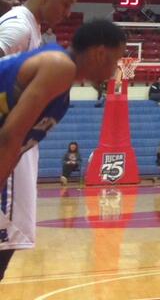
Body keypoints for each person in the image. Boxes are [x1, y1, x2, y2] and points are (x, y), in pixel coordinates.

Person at [0, 19, 123, 281]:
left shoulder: (62, 87)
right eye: (115, 61)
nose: (114, 71)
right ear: (100, 53)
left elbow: (17, 148)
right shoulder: (59, 66)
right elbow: (10, 137)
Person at [0, 0, 80, 274]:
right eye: (66, 4)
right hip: (8, 149)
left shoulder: (32, 27)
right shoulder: (19, 26)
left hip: (18, 150)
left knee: (11, 243)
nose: (68, 12)